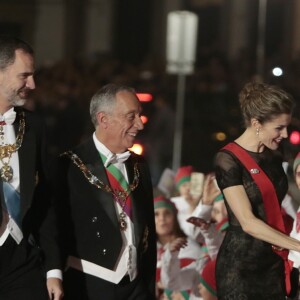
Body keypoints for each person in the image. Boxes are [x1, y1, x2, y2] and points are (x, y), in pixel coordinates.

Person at [56, 83, 156, 300]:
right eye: (131, 116)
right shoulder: (68, 166)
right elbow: (54, 231)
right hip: (87, 285)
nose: (139, 124)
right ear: (103, 120)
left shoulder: (140, 165)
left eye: (139, 115)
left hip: (136, 287)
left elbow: (149, 231)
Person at [214, 81, 300, 299]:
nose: (285, 134)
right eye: (279, 128)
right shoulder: (228, 159)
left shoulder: (274, 154)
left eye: (287, 126)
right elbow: (248, 222)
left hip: (273, 262)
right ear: (256, 123)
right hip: (242, 267)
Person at [0, 35, 63, 299]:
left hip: (22, 261)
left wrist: (53, 271)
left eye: (33, 75)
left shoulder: (35, 126)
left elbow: (45, 201)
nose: (33, 84)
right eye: (24, 76)